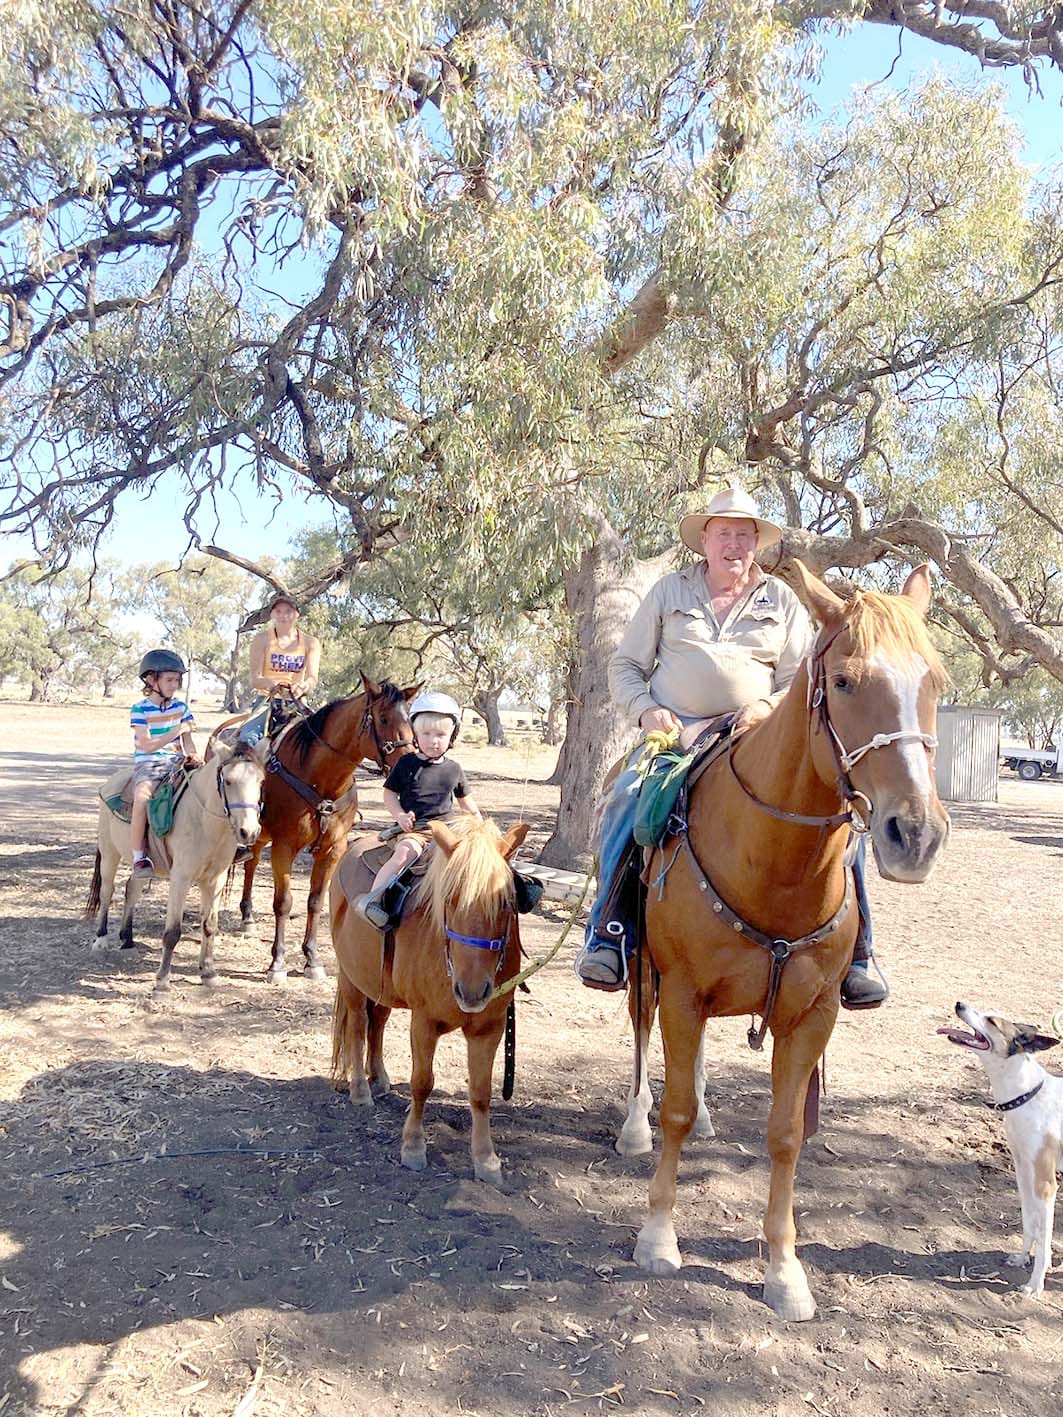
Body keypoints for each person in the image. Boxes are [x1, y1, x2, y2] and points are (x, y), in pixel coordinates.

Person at [576, 485, 884, 1008]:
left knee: (839, 809)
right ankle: (609, 931)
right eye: (725, 533)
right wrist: (649, 711)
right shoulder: (669, 593)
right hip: (675, 733)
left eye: (745, 534)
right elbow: (625, 666)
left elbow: (801, 677)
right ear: (705, 540)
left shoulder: (782, 600)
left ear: (758, 543)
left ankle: (860, 953)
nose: (735, 544)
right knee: (629, 795)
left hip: (757, 732)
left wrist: (766, 709)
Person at [355, 691, 482, 929]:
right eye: (427, 734)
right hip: (415, 831)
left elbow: (468, 806)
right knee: (404, 854)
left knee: (472, 861)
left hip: (446, 833)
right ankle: (374, 900)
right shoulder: (407, 764)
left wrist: (482, 829)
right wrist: (400, 816)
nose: (434, 741)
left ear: (451, 736)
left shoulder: (454, 769)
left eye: (441, 735)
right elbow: (390, 794)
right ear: (415, 734)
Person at [129, 649, 198, 879]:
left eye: (177, 680)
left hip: (178, 763)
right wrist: (178, 730)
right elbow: (147, 745)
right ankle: (139, 857)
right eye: (169, 680)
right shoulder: (139, 709)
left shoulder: (182, 708)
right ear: (151, 679)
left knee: (214, 789)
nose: (174, 685)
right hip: (149, 764)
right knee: (141, 799)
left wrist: (194, 756)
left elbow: (188, 743)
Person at [238, 591, 321, 747]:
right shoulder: (261, 639)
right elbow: (255, 679)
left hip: (296, 702)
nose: (283, 615)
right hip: (267, 701)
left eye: (288, 611)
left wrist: (303, 686)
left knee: (317, 744)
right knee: (248, 738)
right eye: (278, 611)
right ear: (272, 615)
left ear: (297, 614)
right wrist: (270, 684)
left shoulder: (311, 643)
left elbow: (312, 678)